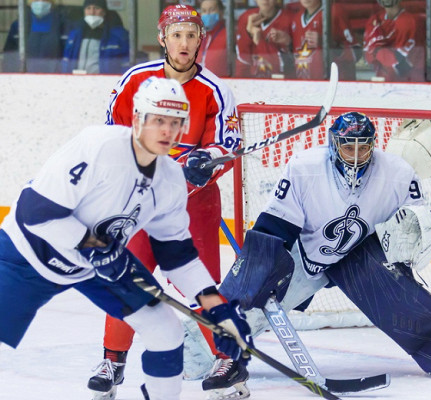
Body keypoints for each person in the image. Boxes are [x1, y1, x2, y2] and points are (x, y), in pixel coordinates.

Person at [0, 76, 252, 400]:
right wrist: (93, 246)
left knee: (164, 329)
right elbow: (36, 212)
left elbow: (178, 258)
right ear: (137, 119)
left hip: (93, 265)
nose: (167, 131)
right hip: (28, 253)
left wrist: (217, 308)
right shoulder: (98, 146)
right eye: (158, 120)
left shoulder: (171, 180)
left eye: (175, 122)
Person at [200, 112, 431, 393]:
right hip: (306, 254)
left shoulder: (399, 174)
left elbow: (414, 232)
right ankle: (221, 357)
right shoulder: (305, 168)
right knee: (246, 297)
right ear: (334, 145)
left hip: (360, 255)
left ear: (373, 145)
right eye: (348, 147)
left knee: (394, 288)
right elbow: (274, 227)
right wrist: (258, 275)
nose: (356, 156)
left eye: (363, 147)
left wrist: (417, 231)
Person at [87, 4, 243, 398]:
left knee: (202, 283)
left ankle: (227, 360)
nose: (184, 43)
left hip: (194, 206)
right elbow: (112, 135)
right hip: (141, 204)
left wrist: (207, 163)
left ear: (200, 39)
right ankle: (112, 360)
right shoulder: (136, 80)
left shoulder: (215, 90)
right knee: (126, 278)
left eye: (191, 35)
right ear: (163, 39)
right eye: (176, 35)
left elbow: (227, 143)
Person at [290, 0, 359, 80]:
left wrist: (327, 43)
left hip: (335, 84)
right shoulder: (296, 19)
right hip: (303, 83)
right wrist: (288, 44)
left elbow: (356, 53)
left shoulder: (334, 12)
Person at [60, 0, 129, 74]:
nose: (92, 12)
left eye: (96, 8)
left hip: (104, 79)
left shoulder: (118, 36)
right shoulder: (74, 35)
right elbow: (66, 61)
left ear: (104, 12)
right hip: (76, 78)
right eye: (88, 8)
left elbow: (126, 64)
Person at [363, 0, 424, 82]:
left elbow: (398, 63)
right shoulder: (374, 20)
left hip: (409, 82)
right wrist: (380, 53)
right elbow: (368, 57)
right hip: (382, 80)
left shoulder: (408, 21)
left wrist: (377, 52)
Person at [235, 0, 295, 79]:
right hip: (252, 80)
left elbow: (294, 62)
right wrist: (248, 34)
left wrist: (289, 43)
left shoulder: (290, 19)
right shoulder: (245, 18)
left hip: (280, 80)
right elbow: (243, 59)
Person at [2, 0, 66, 73]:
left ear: (52, 2)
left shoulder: (62, 25)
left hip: (55, 76)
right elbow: (9, 57)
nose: (40, 2)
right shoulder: (18, 26)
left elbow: (68, 58)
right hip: (24, 76)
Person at [196, 0, 230, 77]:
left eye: (212, 10)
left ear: (221, 12)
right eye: (204, 11)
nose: (207, 13)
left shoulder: (228, 35)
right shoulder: (198, 36)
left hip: (221, 81)